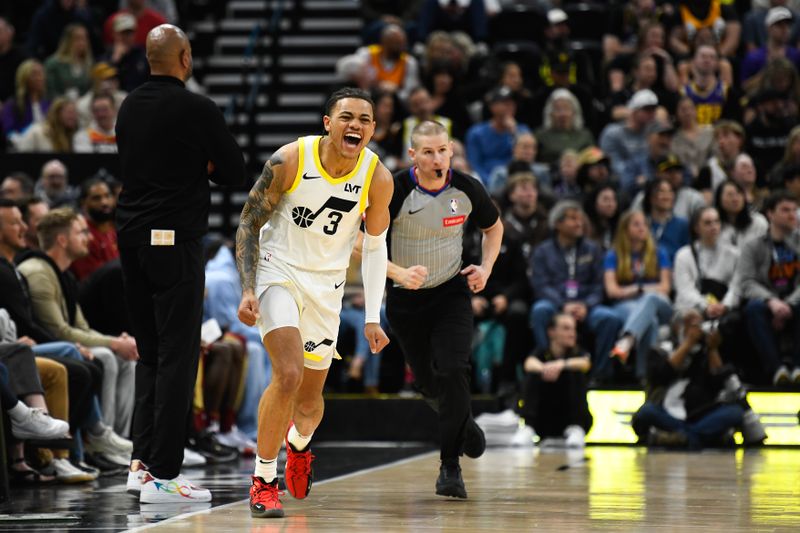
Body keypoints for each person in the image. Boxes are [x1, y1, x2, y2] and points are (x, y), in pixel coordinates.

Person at [235, 87, 392, 518]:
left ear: (373, 129)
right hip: (278, 269)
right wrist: (249, 288)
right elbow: (249, 220)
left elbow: (375, 248)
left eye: (364, 119)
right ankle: (264, 480)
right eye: (346, 117)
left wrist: (373, 317)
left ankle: (298, 445)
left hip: (327, 286)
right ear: (328, 122)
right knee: (286, 373)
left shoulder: (377, 177)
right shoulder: (290, 160)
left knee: (307, 406)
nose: (355, 125)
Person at [115, 24, 246, 504]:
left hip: (130, 241)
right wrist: (200, 165)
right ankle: (166, 474)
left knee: (150, 354)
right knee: (177, 355)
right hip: (174, 243)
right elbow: (235, 170)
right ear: (185, 58)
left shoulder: (129, 106)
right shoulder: (198, 109)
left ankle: (140, 465)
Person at [384, 120, 501, 499]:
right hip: (404, 300)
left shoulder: (466, 188)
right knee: (429, 384)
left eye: (443, 151)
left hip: (451, 293)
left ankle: (450, 466)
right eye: (428, 152)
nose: (437, 158)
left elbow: (494, 228)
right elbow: (360, 243)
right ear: (413, 155)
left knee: (454, 371)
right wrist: (398, 272)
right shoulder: (395, 189)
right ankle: (464, 426)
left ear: (451, 150)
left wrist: (485, 268)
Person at [530, 201, 622, 383]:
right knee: (540, 310)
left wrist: (585, 305)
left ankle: (601, 375)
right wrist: (563, 305)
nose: (579, 223)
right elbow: (541, 285)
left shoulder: (593, 249)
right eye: (572, 219)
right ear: (557, 224)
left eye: (580, 219)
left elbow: (599, 284)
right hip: (556, 304)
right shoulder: (543, 251)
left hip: (586, 305)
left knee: (610, 318)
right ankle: (547, 365)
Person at [631, 309, 745, 449]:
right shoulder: (661, 350)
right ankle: (703, 438)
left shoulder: (708, 349)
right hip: (668, 414)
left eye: (698, 324)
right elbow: (661, 375)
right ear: (677, 327)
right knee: (646, 412)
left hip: (702, 415)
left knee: (735, 412)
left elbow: (718, 380)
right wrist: (687, 343)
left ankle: (680, 438)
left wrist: (713, 349)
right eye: (690, 324)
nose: (695, 329)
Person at [739, 190, 800, 385]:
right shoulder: (752, 246)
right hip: (767, 303)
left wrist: (788, 305)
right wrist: (772, 302)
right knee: (753, 308)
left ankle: (798, 368)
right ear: (770, 214)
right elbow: (746, 282)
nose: (792, 214)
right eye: (785, 210)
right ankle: (777, 370)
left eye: (794, 210)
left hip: (795, 302)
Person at [605, 210, 673, 380]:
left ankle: (627, 341)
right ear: (624, 229)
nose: (642, 228)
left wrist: (640, 289)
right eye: (636, 224)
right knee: (650, 321)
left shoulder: (659, 252)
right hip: (626, 305)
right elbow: (612, 291)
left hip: (659, 304)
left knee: (649, 300)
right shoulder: (613, 254)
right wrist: (638, 289)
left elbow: (665, 288)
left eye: (644, 224)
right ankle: (644, 376)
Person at [522, 313, 592, 448]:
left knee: (575, 370)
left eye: (573, 329)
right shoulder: (542, 351)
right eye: (566, 328)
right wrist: (544, 369)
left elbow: (586, 363)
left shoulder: (577, 352)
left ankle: (577, 428)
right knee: (533, 373)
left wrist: (561, 365)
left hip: (571, 419)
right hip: (545, 420)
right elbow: (528, 363)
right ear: (552, 332)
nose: (572, 333)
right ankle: (528, 428)